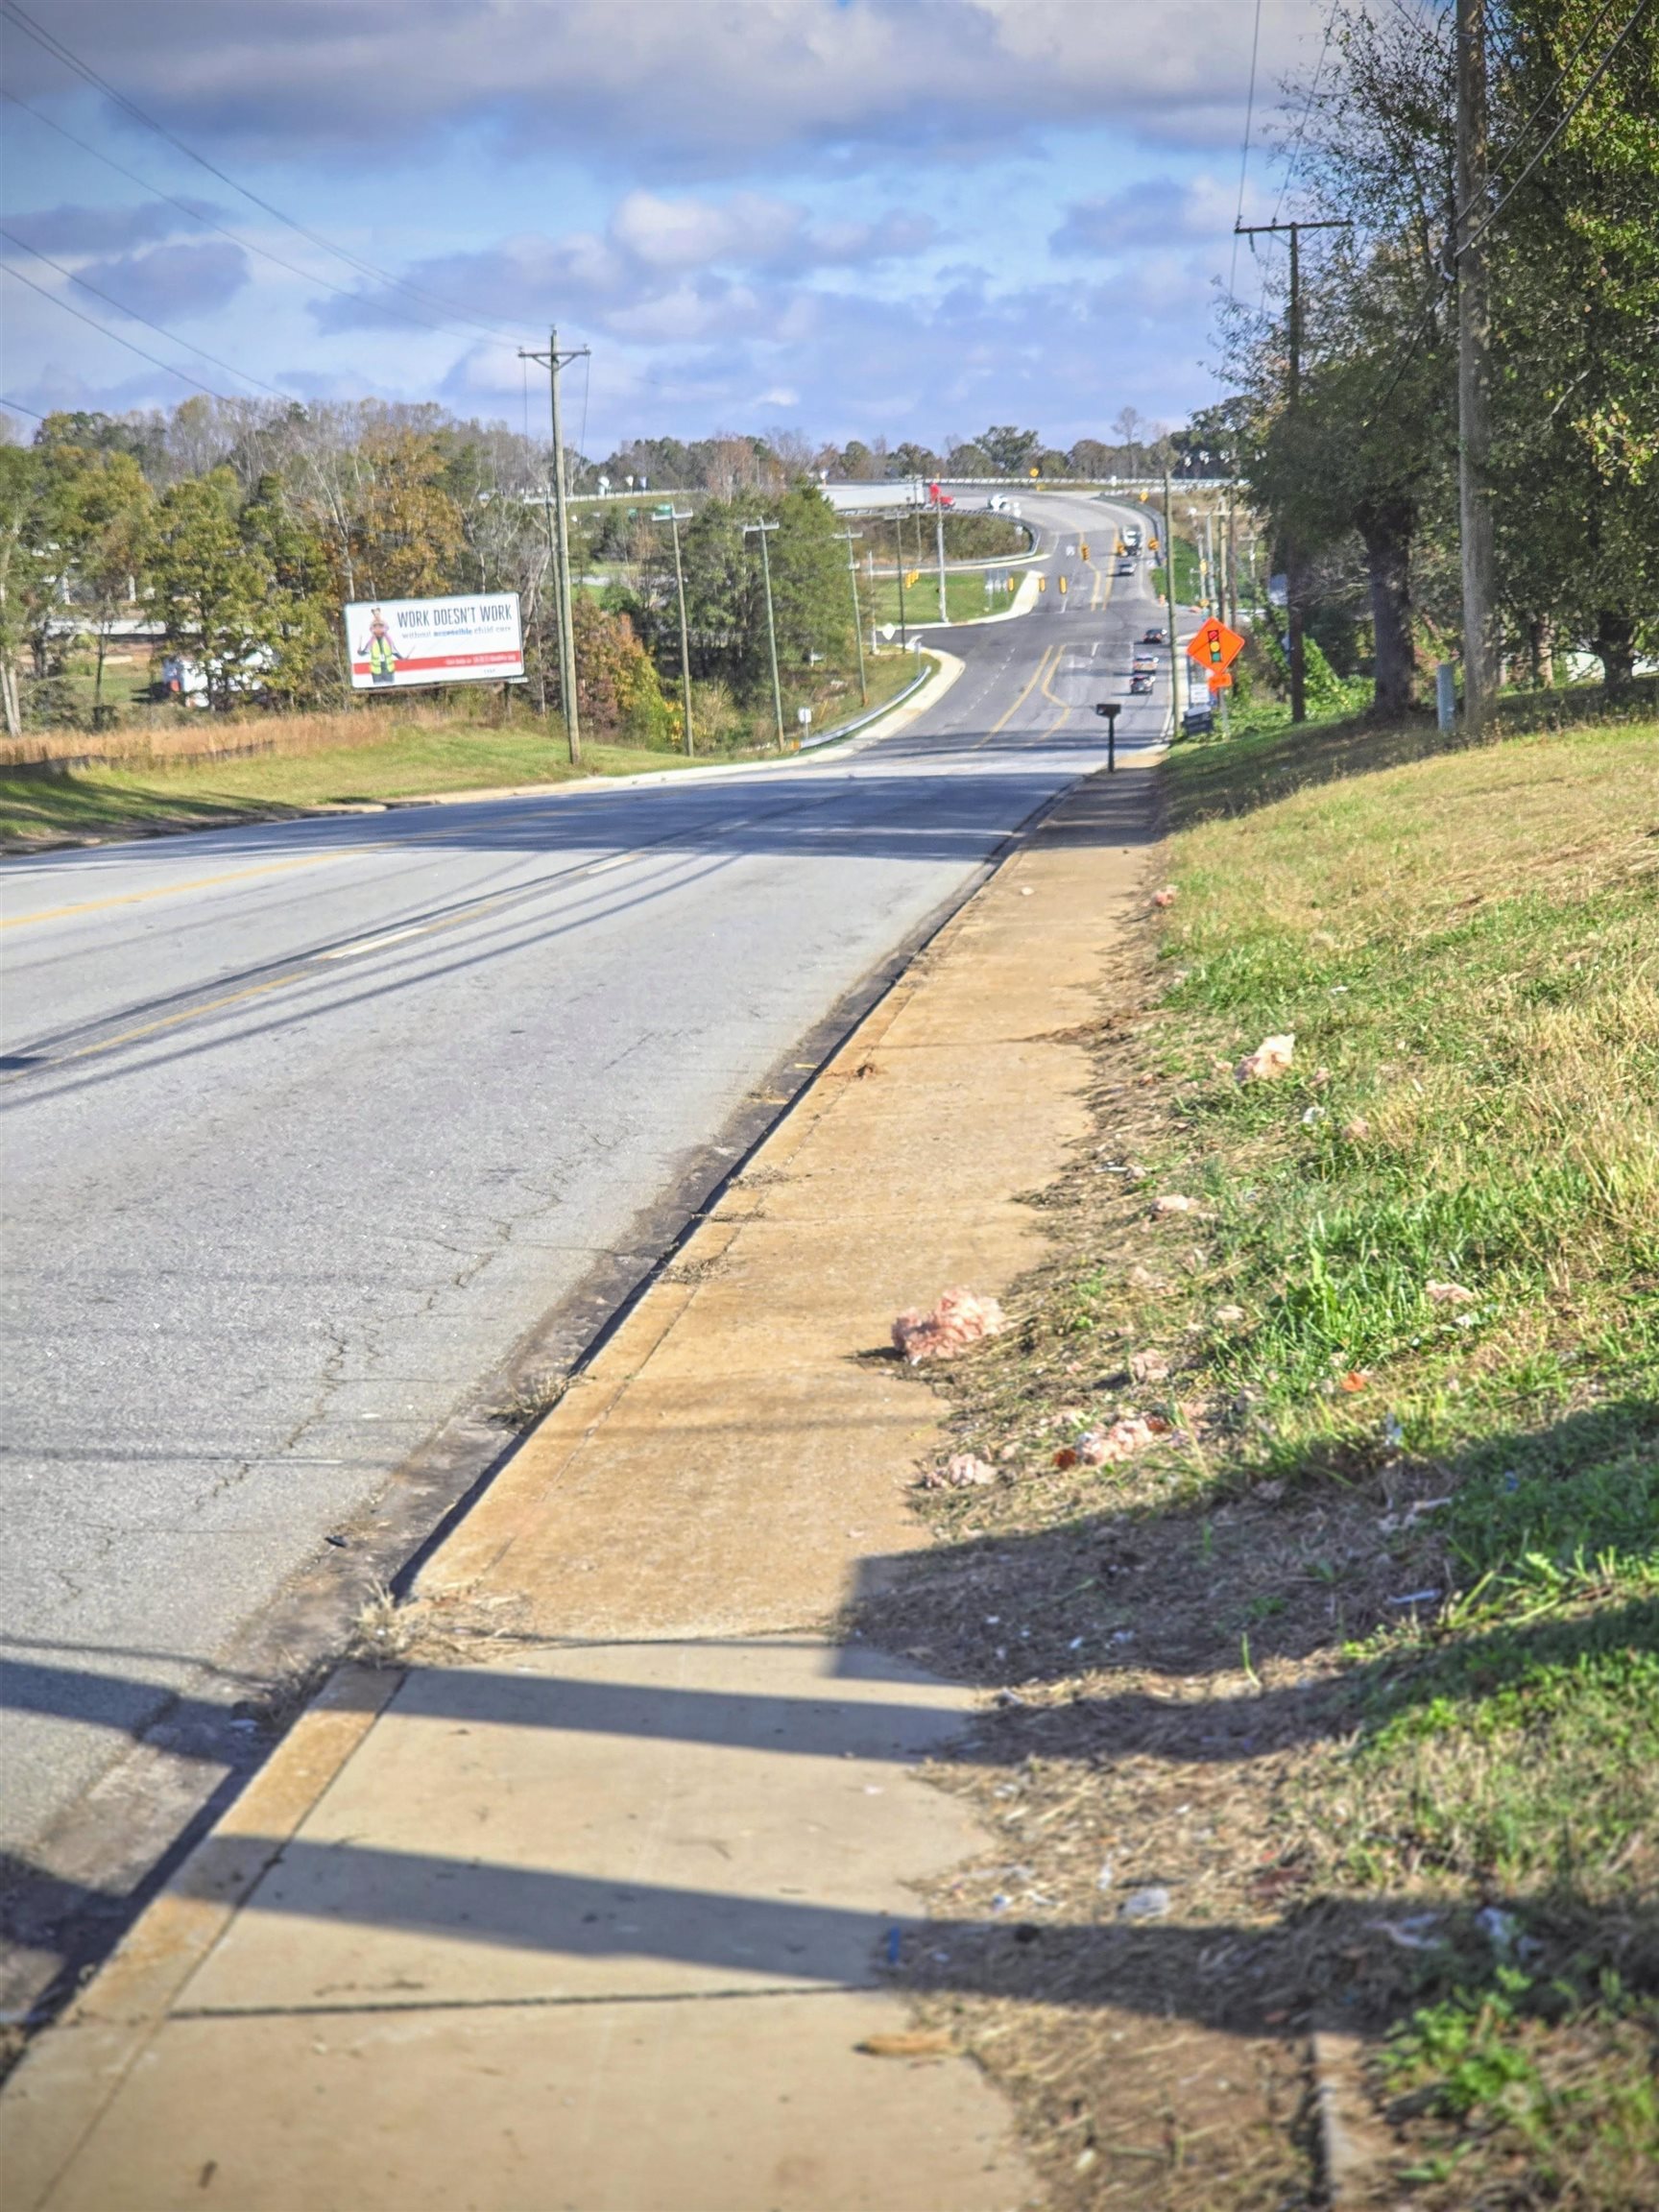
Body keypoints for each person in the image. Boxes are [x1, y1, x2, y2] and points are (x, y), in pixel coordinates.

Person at [356, 607, 404, 685]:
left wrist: (402, 658)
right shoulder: (371, 641)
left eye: (380, 627)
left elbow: (395, 652)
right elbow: (364, 652)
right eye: (376, 627)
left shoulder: (388, 639)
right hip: (376, 673)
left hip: (388, 671)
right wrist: (359, 652)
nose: (378, 629)